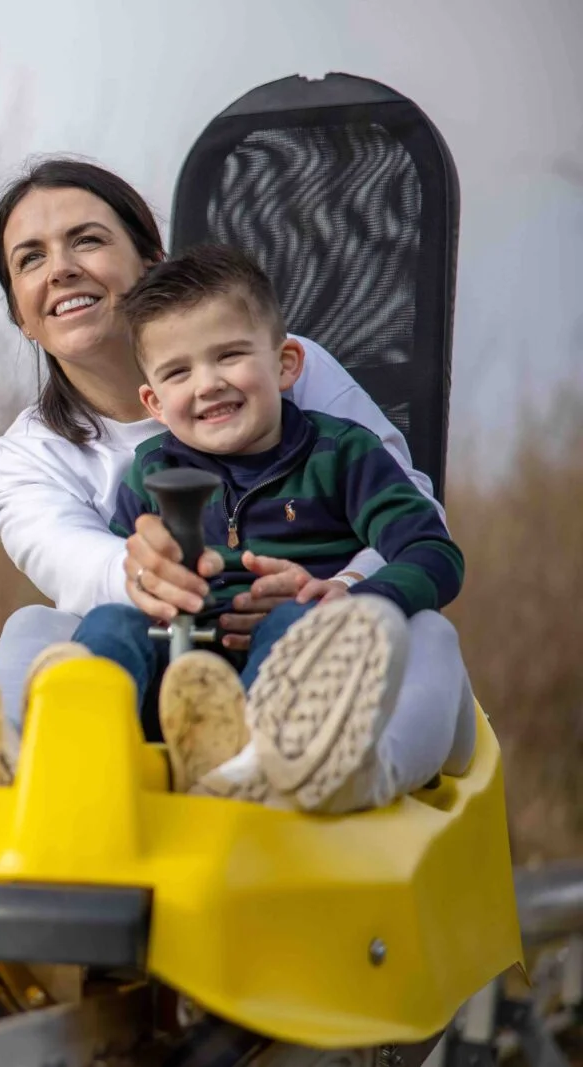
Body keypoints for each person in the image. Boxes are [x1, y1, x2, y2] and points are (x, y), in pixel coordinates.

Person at [0, 156, 475, 807]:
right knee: (36, 624)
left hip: (334, 657)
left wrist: (343, 592)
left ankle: (342, 768)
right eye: (30, 259)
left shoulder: (290, 373)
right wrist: (143, 567)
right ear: (21, 316)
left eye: (86, 239)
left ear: (151, 260)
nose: (60, 267)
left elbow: (418, 526)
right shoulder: (30, 460)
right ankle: (8, 756)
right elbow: (81, 572)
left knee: (417, 629)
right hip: (172, 667)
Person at [27, 243, 468, 812]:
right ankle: (77, 755)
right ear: (154, 402)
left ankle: (261, 762)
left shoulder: (341, 454)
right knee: (112, 622)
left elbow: (433, 551)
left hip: (303, 676)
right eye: (178, 372)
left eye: (229, 356)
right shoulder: (153, 472)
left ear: (285, 364)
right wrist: (149, 588)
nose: (207, 384)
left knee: (297, 621)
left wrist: (351, 597)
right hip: (183, 678)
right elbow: (129, 576)